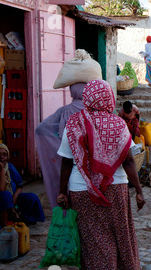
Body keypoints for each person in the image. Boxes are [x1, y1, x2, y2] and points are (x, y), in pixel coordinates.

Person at [57, 79, 145, 270]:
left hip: (81, 190)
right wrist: (139, 190)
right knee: (116, 239)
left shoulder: (74, 123)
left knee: (91, 241)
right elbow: (129, 162)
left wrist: (62, 191)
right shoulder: (118, 124)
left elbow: (66, 162)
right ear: (108, 98)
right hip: (115, 189)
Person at [35, 50, 102, 210]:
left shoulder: (65, 112)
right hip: (96, 168)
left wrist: (57, 145)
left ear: (73, 90)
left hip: (70, 167)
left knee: (72, 205)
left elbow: (41, 130)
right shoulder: (99, 112)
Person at [0, 143, 45, 228]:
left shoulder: (10, 167)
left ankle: (24, 219)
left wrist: (14, 197)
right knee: (5, 195)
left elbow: (19, 186)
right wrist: (1, 169)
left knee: (31, 197)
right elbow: (0, 189)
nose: (1, 157)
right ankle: (4, 225)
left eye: (4, 154)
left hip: (11, 199)